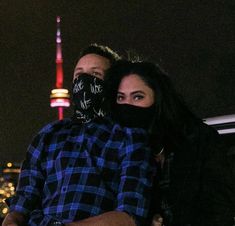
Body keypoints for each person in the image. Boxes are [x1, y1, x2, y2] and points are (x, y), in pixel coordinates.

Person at [2, 45, 155, 226]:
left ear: (113, 84)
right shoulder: (48, 136)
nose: (84, 81)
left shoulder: (128, 137)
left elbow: (131, 215)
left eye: (95, 75)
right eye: (78, 75)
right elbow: (22, 204)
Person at [104, 60, 235, 226]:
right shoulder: (113, 149)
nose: (128, 106)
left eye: (138, 97)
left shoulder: (199, 141)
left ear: (158, 99)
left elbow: (220, 208)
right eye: (121, 98)